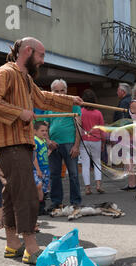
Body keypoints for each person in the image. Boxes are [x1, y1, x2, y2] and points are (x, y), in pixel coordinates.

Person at [0, 37, 84, 264]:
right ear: (28, 51)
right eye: (41, 55)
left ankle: (12, 244)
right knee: (26, 194)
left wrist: (69, 100)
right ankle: (32, 247)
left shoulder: (24, 78)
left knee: (9, 195)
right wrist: (19, 112)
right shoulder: (6, 72)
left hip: (18, 145)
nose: (43, 61)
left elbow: (43, 98)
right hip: (11, 145)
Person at [44, 79, 82, 212]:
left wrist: (76, 146)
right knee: (54, 174)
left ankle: (75, 202)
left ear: (66, 91)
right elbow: (44, 127)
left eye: (62, 90)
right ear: (51, 92)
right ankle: (56, 202)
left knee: (73, 174)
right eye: (56, 91)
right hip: (54, 145)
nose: (60, 93)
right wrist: (48, 141)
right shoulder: (49, 107)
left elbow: (79, 127)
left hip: (69, 143)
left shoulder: (74, 105)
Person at [79, 89, 105, 195]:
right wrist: (103, 141)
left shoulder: (80, 112)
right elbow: (102, 129)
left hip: (84, 140)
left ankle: (87, 188)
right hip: (96, 139)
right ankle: (98, 185)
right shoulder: (98, 113)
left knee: (85, 164)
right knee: (97, 162)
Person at [116, 83, 136, 191]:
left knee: (128, 158)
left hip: (126, 133)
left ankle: (132, 183)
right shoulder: (131, 101)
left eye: (118, 90)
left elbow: (122, 120)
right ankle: (133, 182)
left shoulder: (124, 102)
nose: (116, 92)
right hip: (132, 132)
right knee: (131, 158)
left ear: (123, 92)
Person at [33, 121, 50, 216]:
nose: (44, 132)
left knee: (44, 189)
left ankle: (42, 207)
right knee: (38, 186)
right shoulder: (35, 141)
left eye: (46, 130)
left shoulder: (43, 141)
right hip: (37, 169)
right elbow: (34, 157)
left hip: (45, 168)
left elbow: (44, 154)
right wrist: (38, 169)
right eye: (42, 130)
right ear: (35, 131)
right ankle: (38, 207)